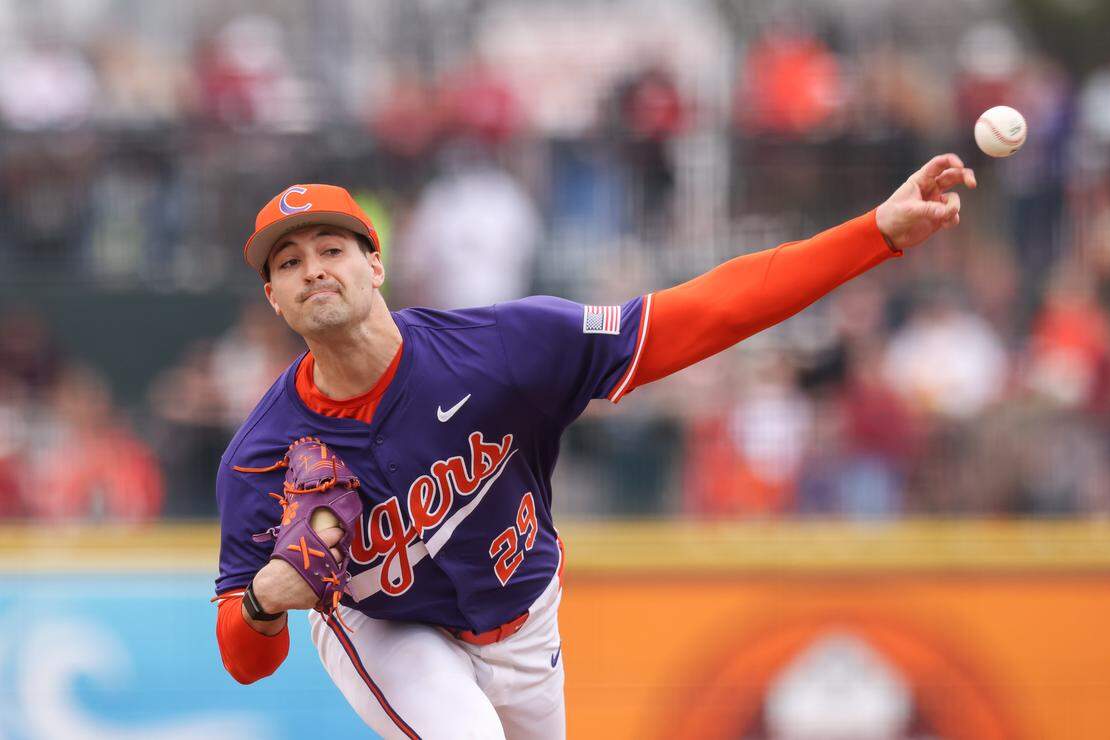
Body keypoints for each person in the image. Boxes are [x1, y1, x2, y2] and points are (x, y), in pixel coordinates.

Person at [213, 156, 976, 738]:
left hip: (524, 613)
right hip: (384, 623)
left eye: (331, 248)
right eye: (287, 262)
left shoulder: (503, 349)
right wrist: (262, 605)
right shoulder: (264, 454)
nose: (312, 268)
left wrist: (874, 235)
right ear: (274, 300)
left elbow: (707, 311)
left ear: (376, 265)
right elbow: (245, 662)